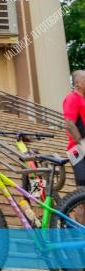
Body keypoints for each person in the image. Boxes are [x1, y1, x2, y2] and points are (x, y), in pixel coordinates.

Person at [63, 69, 85, 224]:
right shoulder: (72, 97)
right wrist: (82, 144)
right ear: (77, 83)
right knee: (82, 193)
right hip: (78, 150)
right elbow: (69, 124)